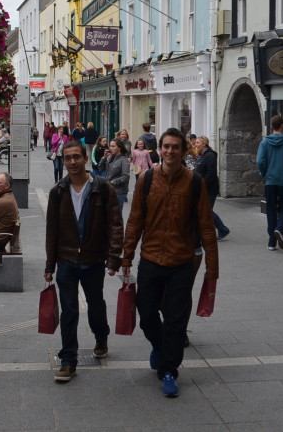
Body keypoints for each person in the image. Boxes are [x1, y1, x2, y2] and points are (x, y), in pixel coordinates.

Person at [121, 128, 219, 398]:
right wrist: (126, 256)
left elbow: (206, 227)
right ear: (159, 149)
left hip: (181, 261)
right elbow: (135, 220)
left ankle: (168, 371)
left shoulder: (195, 183)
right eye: (166, 146)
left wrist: (212, 268)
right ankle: (160, 346)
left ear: (183, 150)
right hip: (151, 258)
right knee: (147, 315)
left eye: (175, 147)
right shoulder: (147, 179)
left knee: (176, 320)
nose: (170, 151)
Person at [44, 141, 123, 382]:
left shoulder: (102, 187)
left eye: (76, 157)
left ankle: (101, 335)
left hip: (93, 259)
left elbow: (115, 224)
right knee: (69, 311)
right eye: (67, 158)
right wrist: (50, 265)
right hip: (66, 260)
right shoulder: (58, 191)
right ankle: (68, 360)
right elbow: (52, 231)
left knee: (95, 304)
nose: (72, 162)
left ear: (86, 158)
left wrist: (114, 257)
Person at [257, 115, 283, 251]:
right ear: (282, 126)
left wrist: (264, 174)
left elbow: (260, 162)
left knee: (271, 209)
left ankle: (271, 241)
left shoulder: (265, 142)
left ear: (272, 126)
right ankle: (280, 228)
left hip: (270, 181)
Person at [194, 136, 229, 240]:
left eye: (198, 142)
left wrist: (202, 183)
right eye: (195, 142)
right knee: (204, 210)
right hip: (204, 188)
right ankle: (216, 230)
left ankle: (222, 229)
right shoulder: (202, 155)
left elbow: (211, 173)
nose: (196, 144)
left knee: (206, 211)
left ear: (204, 143)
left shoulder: (210, 155)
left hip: (209, 189)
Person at [98, 138, 131, 210]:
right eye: (110, 146)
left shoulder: (124, 160)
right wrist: (104, 157)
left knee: (116, 216)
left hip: (119, 192)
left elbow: (126, 176)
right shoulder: (111, 158)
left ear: (119, 148)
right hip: (109, 190)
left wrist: (113, 182)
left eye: (113, 146)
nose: (110, 148)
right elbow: (101, 168)